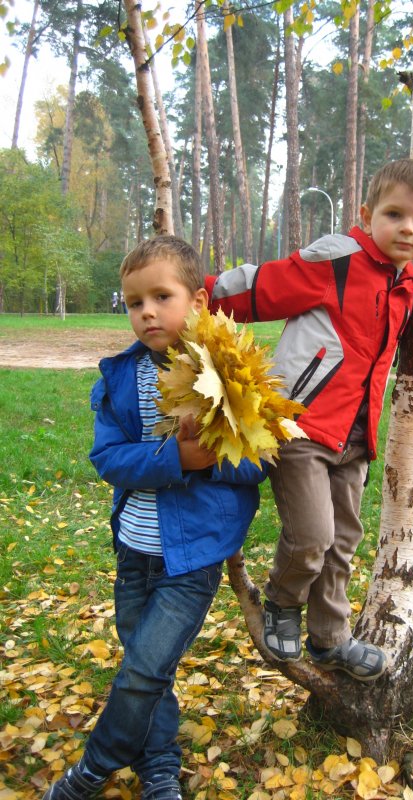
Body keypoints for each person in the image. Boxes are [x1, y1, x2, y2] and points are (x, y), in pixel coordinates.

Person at [206, 159, 413, 681]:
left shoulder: (408, 285)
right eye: (394, 214)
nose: (406, 228)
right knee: (313, 535)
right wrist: (193, 290)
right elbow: (265, 287)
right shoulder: (338, 260)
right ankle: (281, 602)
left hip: (356, 435)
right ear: (367, 216)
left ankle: (330, 638)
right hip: (301, 425)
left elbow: (409, 343)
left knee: (343, 541)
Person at [43, 236, 266, 800]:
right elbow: (108, 457)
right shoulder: (119, 377)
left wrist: (207, 458)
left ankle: (94, 768)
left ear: (195, 301)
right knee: (149, 666)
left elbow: (254, 468)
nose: (145, 312)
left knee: (143, 670)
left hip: (189, 557)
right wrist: (175, 457)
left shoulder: (227, 373)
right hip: (133, 550)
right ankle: (161, 768)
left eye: (160, 297)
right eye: (133, 302)